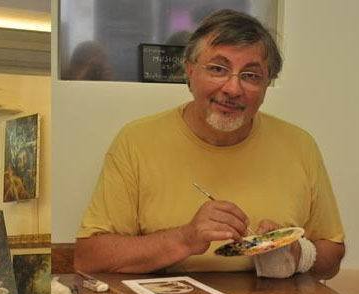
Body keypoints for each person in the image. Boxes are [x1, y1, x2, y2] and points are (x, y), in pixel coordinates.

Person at [75, 10, 345, 280]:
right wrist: (185, 238)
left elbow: (332, 258)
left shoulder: (299, 145)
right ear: (189, 70)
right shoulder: (135, 141)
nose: (233, 89)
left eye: (251, 75)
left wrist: (297, 254)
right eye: (218, 69)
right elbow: (89, 258)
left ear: (266, 84)